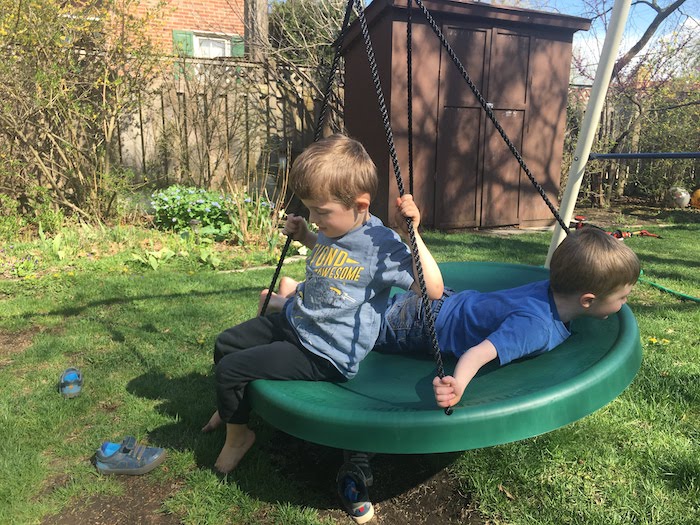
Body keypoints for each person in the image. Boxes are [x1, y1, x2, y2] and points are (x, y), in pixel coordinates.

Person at [202, 133, 443, 478]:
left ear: (360, 205)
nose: (315, 217)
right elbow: (334, 260)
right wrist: (306, 238)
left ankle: (239, 436)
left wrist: (413, 235)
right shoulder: (335, 226)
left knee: (231, 370)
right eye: (311, 209)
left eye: (321, 211)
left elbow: (432, 289)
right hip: (298, 321)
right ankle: (229, 408)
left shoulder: (381, 246)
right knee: (225, 343)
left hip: (325, 351)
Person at [374, 226, 641, 408]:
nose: (625, 303)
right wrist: (458, 384)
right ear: (587, 301)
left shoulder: (551, 289)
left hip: (445, 302)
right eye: (622, 297)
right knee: (361, 327)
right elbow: (477, 354)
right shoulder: (535, 327)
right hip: (422, 324)